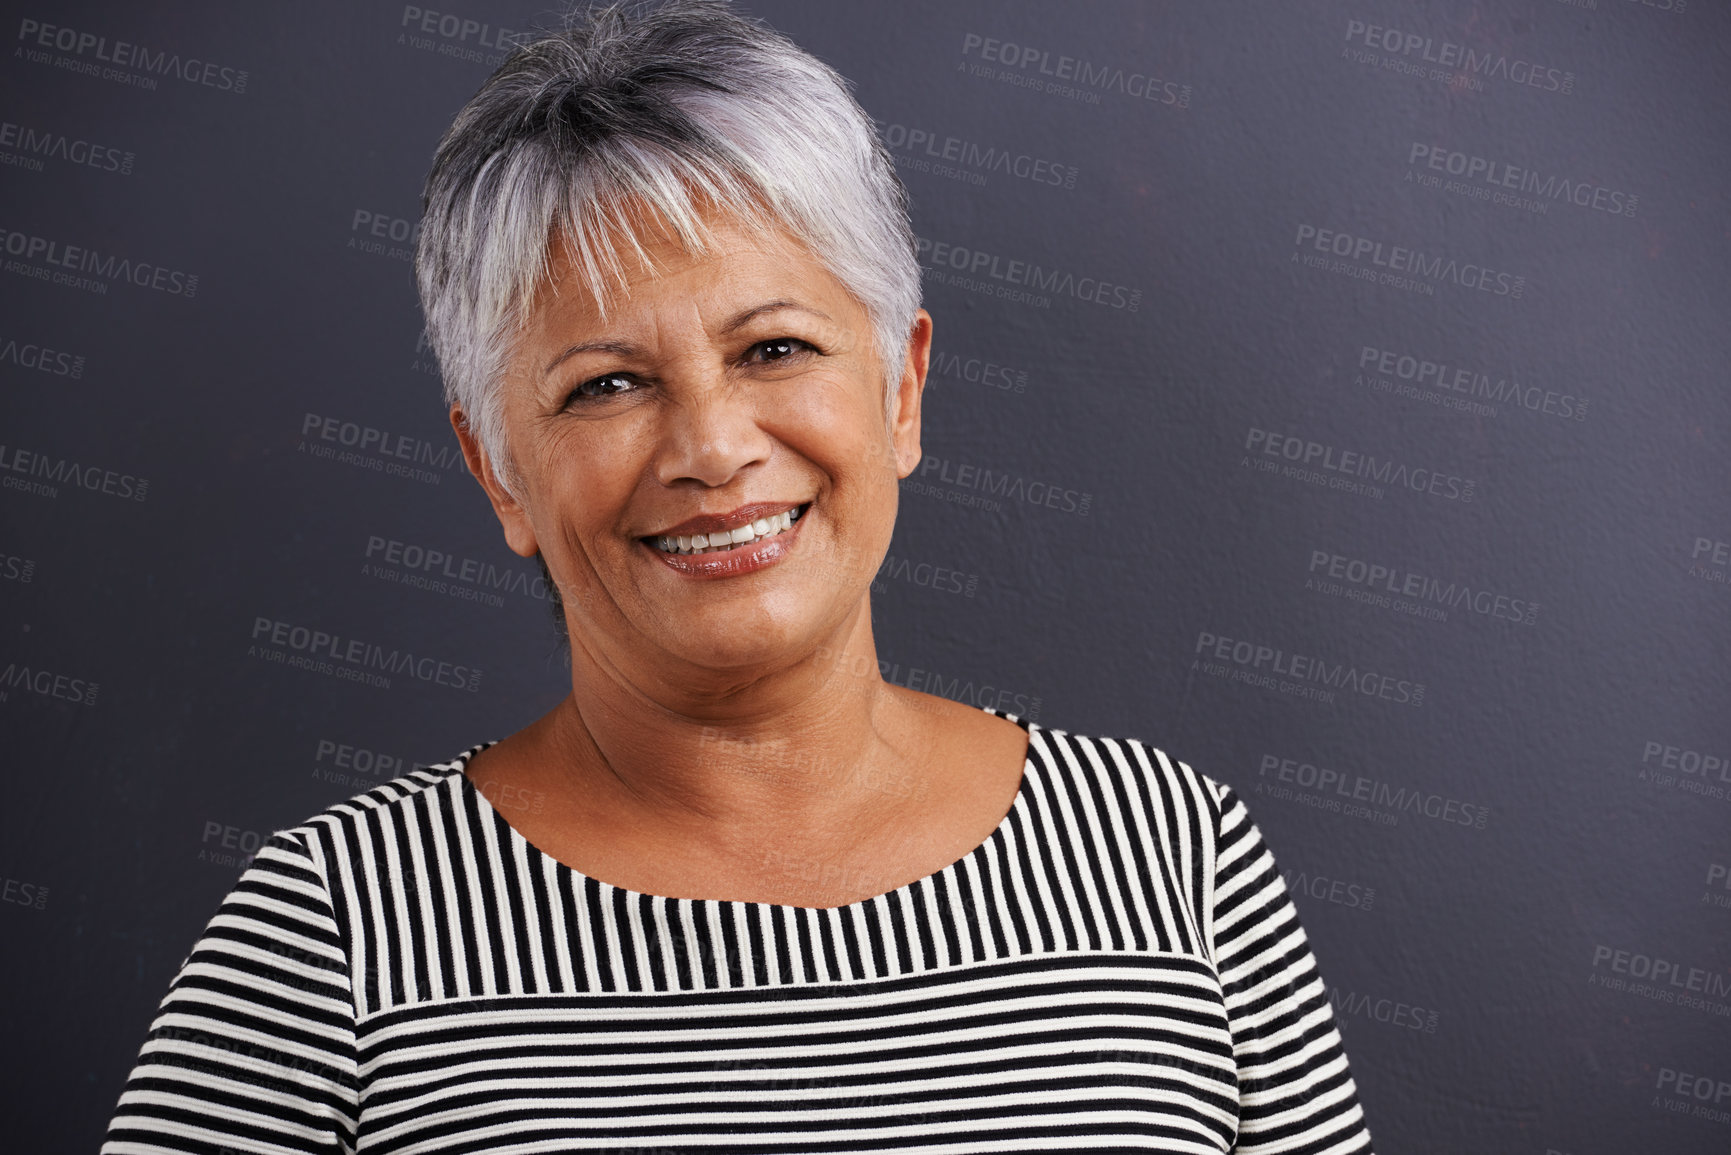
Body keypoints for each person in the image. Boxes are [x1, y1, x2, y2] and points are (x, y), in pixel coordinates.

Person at [103, 3, 1375, 1151]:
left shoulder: (1175, 860)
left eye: (774, 347)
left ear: (903, 392)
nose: (712, 448)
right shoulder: (327, 934)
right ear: (497, 468)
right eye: (605, 384)